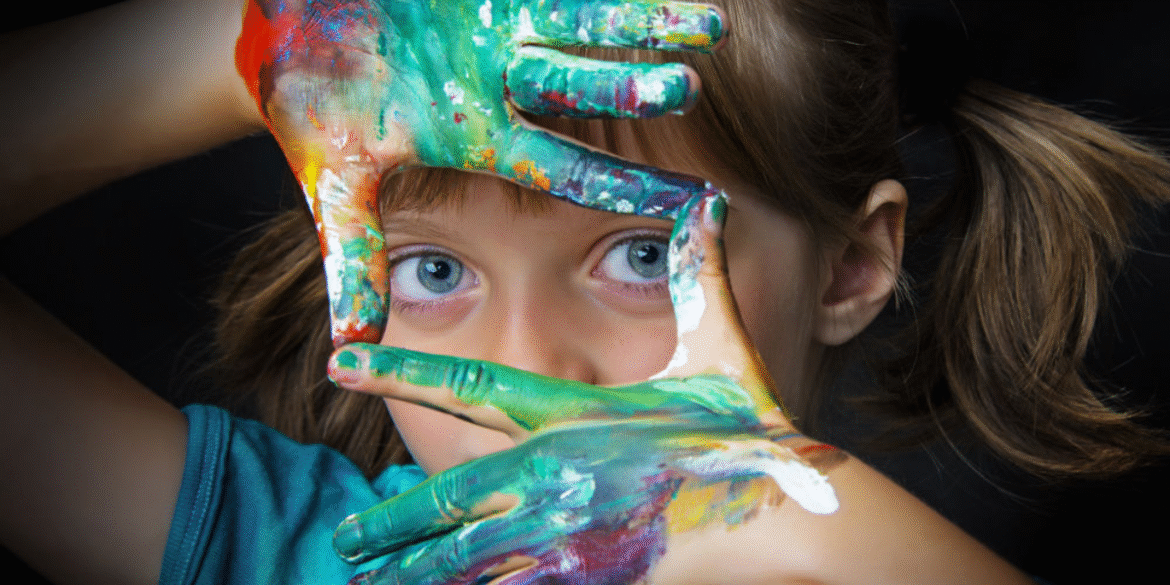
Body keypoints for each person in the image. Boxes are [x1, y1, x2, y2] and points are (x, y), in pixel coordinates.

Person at [1, 1, 1168, 584]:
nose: (527, 369)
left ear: (853, 267)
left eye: (641, 257)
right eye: (435, 271)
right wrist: (272, 35)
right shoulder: (322, 558)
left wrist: (747, 508)